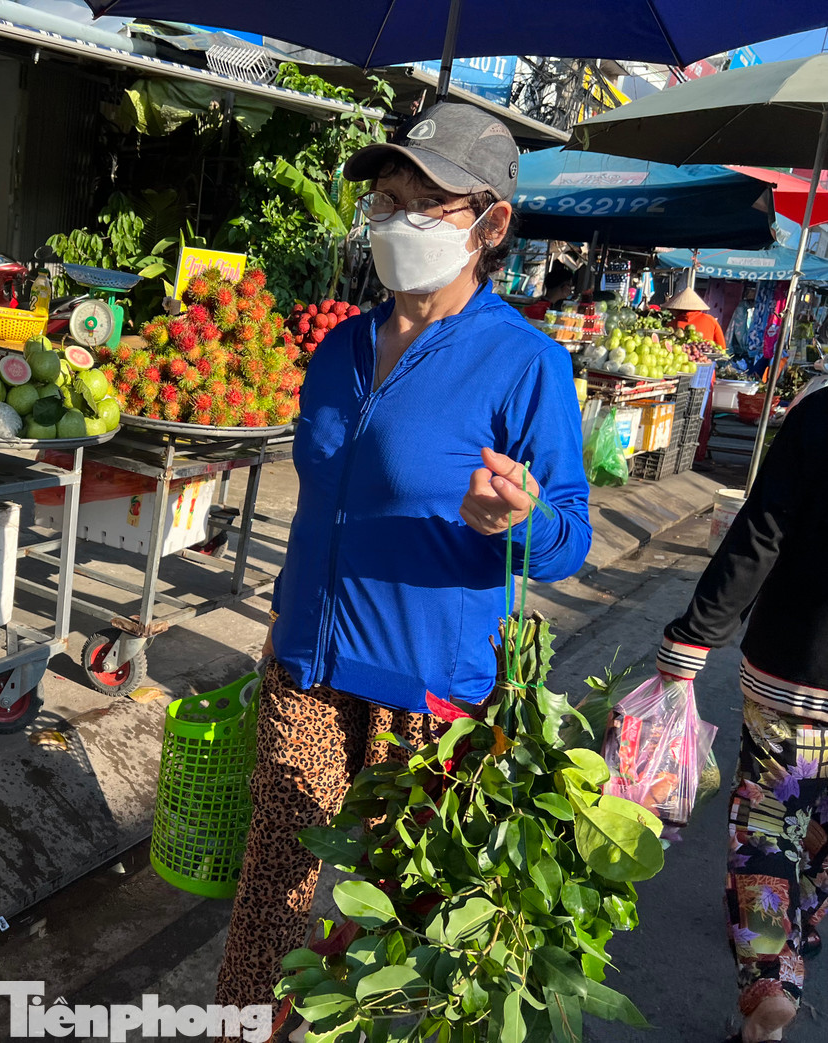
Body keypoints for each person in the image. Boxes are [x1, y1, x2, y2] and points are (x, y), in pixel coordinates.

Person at [214, 101, 593, 1029]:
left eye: (427, 203)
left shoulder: (525, 363)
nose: (397, 220)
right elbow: (323, 499)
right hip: (305, 664)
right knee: (272, 882)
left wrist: (520, 519)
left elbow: (570, 537)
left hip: (426, 694)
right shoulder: (339, 347)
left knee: (399, 921)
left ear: (491, 224)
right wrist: (285, 607)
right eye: (387, 199)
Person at [657, 386, 828, 1043]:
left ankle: (772, 975)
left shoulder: (819, 415)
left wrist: (693, 637)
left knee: (768, 828)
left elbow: (762, 531)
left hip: (797, 673)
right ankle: (807, 917)